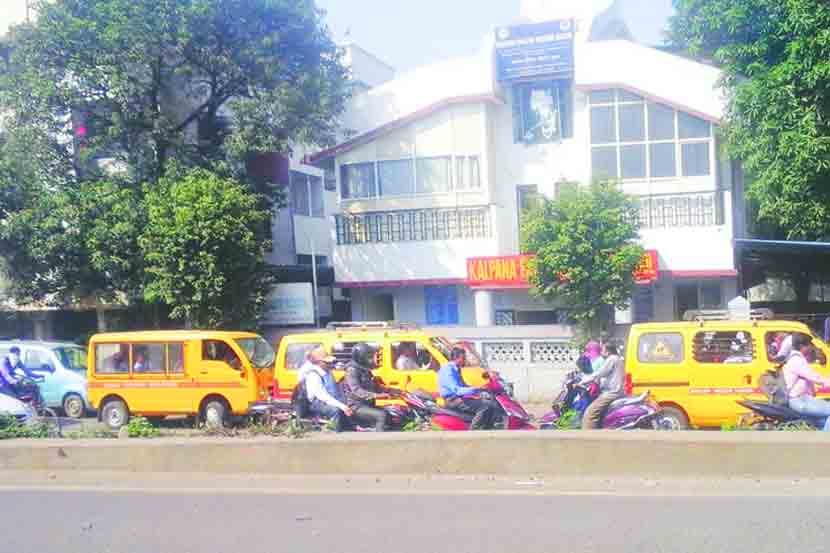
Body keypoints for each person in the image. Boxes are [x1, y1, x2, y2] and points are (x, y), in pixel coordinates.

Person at [438, 346, 497, 430]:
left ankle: (486, 427)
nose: (465, 360)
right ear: (456, 358)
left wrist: (481, 389)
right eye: (463, 358)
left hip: (458, 398)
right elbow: (457, 390)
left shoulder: (456, 369)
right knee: (485, 406)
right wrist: (475, 390)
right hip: (452, 400)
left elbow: (463, 386)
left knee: (488, 401)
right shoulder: (448, 370)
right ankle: (473, 431)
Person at [342, 343, 395, 431]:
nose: (371, 360)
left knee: (392, 414)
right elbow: (357, 391)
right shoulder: (352, 371)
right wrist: (376, 395)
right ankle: (378, 440)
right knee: (381, 415)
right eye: (368, 357)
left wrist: (390, 390)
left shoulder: (364, 369)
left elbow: (374, 385)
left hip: (367, 404)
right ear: (361, 357)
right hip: (356, 406)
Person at [298, 347, 352, 432]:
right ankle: (333, 431)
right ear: (319, 362)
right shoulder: (314, 375)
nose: (330, 364)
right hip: (317, 403)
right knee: (335, 411)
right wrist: (342, 406)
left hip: (330, 399)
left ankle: (350, 428)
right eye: (327, 362)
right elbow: (323, 396)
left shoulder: (328, 372)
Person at [782, 334, 830, 431]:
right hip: (799, 401)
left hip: (804, 399)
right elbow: (815, 377)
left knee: (824, 421)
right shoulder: (797, 361)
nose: (811, 347)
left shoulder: (796, 359)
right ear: (802, 346)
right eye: (809, 345)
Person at [582, 343, 625, 430]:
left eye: (602, 350)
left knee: (590, 412)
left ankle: (588, 436)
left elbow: (601, 372)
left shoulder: (612, 359)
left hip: (611, 392)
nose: (601, 352)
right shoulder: (617, 359)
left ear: (608, 351)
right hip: (615, 391)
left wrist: (583, 381)